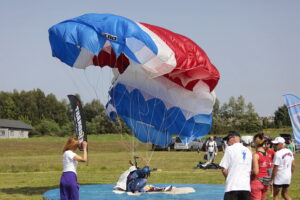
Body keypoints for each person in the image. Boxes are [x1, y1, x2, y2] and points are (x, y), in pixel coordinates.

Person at [220, 131, 252, 200]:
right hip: (245, 187)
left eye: (227, 140)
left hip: (232, 186)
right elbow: (249, 171)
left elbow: (224, 169)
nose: (227, 143)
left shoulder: (229, 149)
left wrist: (228, 177)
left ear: (232, 138)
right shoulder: (248, 151)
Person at [250, 133, 271, 200]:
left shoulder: (256, 155)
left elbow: (256, 171)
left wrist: (248, 173)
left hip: (257, 181)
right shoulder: (268, 154)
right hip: (266, 181)